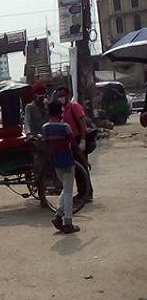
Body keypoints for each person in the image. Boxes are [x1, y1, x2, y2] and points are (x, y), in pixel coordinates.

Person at [42, 100, 90, 234]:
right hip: (68, 162)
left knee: (66, 189)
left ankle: (58, 216)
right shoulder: (65, 127)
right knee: (68, 192)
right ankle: (68, 222)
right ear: (60, 112)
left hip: (56, 163)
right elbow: (74, 146)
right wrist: (84, 161)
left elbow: (46, 147)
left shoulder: (45, 128)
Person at [57, 86, 94, 201]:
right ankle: (82, 192)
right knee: (77, 169)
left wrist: (82, 140)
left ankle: (87, 193)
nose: (60, 98)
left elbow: (82, 124)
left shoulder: (74, 106)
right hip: (70, 141)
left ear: (67, 95)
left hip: (78, 139)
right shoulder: (62, 109)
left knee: (82, 167)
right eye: (59, 96)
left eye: (62, 95)